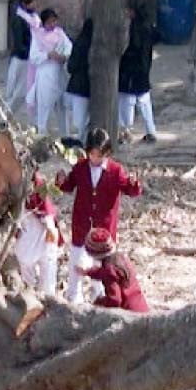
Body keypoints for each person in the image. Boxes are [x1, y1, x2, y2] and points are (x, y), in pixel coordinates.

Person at [55, 128, 142, 305]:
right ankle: (74, 299)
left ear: (107, 153)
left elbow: (130, 190)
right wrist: (61, 180)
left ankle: (100, 301)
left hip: (104, 232)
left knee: (103, 272)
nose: (95, 159)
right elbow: (68, 186)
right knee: (76, 266)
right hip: (82, 227)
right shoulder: (80, 167)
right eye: (92, 154)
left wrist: (134, 183)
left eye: (99, 155)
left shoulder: (115, 170)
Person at [78, 227, 148, 390]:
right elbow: (109, 273)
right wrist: (89, 273)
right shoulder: (120, 259)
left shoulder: (108, 270)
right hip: (141, 312)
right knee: (133, 363)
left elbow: (114, 299)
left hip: (127, 320)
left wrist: (98, 304)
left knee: (116, 362)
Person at [15, 171, 61, 296]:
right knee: (25, 264)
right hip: (27, 228)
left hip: (41, 231)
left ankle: (47, 298)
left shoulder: (37, 183)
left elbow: (44, 207)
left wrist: (49, 227)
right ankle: (29, 296)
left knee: (47, 269)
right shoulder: (12, 184)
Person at [118, 0, 158, 144]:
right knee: (145, 101)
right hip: (144, 68)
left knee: (127, 101)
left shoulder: (136, 27)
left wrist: (122, 59)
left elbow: (133, 46)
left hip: (131, 71)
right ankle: (151, 131)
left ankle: (125, 132)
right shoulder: (148, 25)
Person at [27, 8, 72, 136]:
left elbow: (69, 47)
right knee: (44, 107)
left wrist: (64, 56)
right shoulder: (37, 36)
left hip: (59, 73)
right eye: (49, 22)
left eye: (54, 21)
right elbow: (33, 56)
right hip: (45, 74)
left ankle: (65, 135)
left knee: (62, 107)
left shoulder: (60, 33)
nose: (52, 25)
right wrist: (48, 55)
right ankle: (42, 135)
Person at [6, 0, 39, 117]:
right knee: (16, 89)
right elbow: (20, 42)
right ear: (26, 4)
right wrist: (30, 53)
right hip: (22, 58)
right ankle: (6, 113)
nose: (36, 4)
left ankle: (8, 113)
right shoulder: (20, 18)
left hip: (28, 57)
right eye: (33, 2)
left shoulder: (32, 17)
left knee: (21, 89)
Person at [66, 18, 93, 145]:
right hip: (90, 87)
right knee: (85, 119)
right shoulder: (96, 45)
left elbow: (71, 66)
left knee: (78, 120)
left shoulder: (80, 43)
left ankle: (77, 143)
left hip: (77, 86)